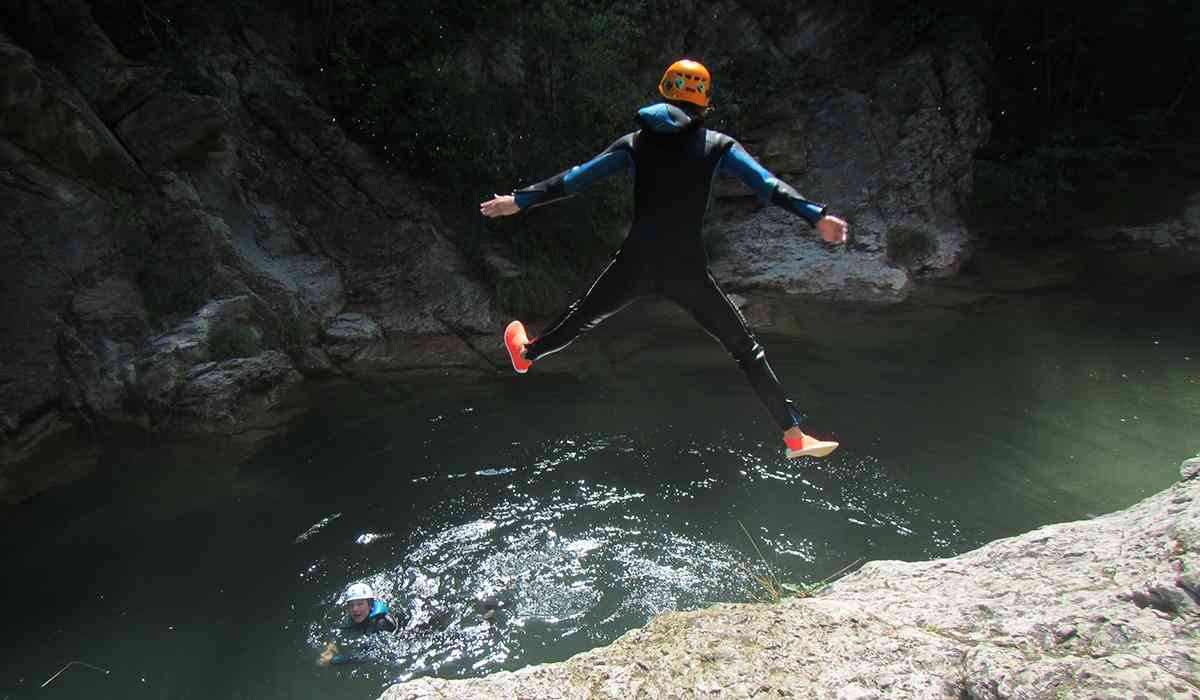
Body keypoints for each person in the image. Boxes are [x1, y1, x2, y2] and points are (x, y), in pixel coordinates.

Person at [480, 59, 848, 459]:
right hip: (686, 269)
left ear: (664, 92)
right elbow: (767, 185)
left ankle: (527, 354)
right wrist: (816, 217)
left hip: (638, 262)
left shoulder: (636, 143)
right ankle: (794, 437)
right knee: (747, 350)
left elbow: (575, 179)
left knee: (582, 316)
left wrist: (520, 200)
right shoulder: (718, 145)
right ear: (705, 103)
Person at [317, 582, 402, 666]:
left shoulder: (382, 623)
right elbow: (343, 632)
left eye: (360, 604)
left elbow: (372, 655)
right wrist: (331, 647)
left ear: (370, 605)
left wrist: (334, 660)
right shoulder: (351, 617)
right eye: (351, 604)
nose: (355, 608)